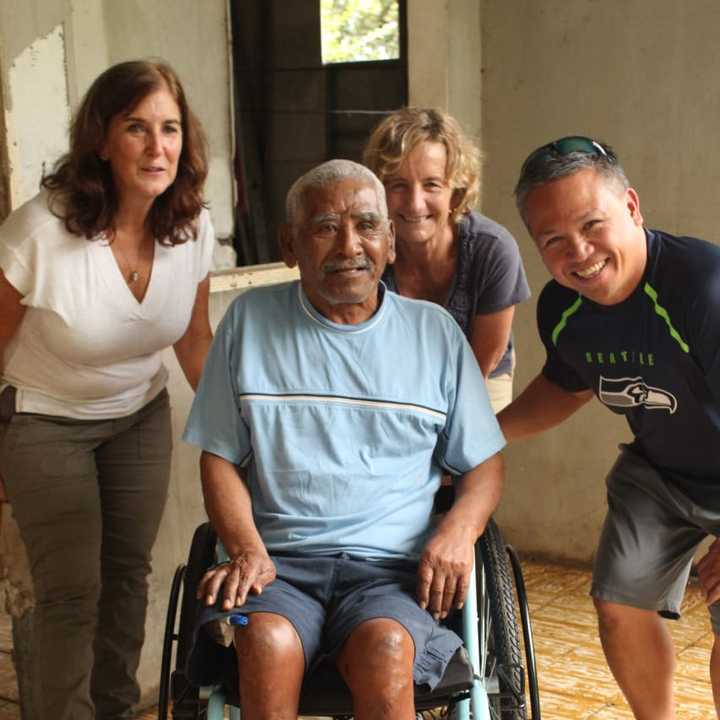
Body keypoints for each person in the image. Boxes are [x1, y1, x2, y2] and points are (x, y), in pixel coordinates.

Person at [183, 159, 505, 720]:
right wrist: (246, 549)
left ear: (391, 242)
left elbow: (484, 465)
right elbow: (219, 457)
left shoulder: (435, 335)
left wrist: (457, 532)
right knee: (263, 644)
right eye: (325, 227)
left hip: (392, 572)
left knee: (385, 652)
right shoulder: (248, 323)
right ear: (290, 244)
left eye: (367, 225)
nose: (349, 245)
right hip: (278, 564)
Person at [0, 60, 214, 720]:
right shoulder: (41, 231)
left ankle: (114, 711)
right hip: (42, 419)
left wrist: (242, 431)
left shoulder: (191, 225)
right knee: (71, 591)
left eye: (170, 128)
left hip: (138, 413)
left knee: (128, 578)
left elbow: (194, 341)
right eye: (137, 127)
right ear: (101, 137)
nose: (159, 148)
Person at [498, 135, 720, 719]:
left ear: (631, 207)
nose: (579, 252)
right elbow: (568, 387)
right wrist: (482, 437)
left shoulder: (704, 288)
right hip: (662, 474)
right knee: (619, 603)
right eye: (553, 241)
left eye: (592, 224)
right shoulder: (562, 310)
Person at [363, 107, 530, 412]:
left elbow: (482, 363)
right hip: (394, 376)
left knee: (468, 454)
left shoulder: (492, 249)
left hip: (479, 373)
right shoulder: (368, 249)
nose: (415, 204)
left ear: (455, 192)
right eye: (398, 184)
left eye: (431, 185)